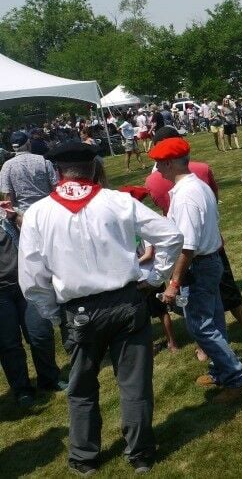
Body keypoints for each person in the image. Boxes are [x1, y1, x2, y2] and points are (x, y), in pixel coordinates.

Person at [18, 142, 184, 475]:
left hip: (78, 311)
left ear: (57, 172)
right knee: (134, 383)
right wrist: (154, 276)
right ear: (94, 168)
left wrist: (55, 313)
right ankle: (140, 454)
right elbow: (170, 235)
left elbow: (33, 278)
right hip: (125, 303)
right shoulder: (118, 201)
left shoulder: (38, 213)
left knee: (81, 388)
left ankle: (85, 458)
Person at [146, 127, 242, 349]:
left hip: (191, 252)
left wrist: (173, 281)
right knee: (223, 297)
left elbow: (182, 236)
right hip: (208, 244)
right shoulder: (201, 171)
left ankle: (210, 354)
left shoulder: (154, 182)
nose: (159, 169)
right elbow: (213, 201)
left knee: (201, 312)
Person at [150, 138, 242, 403]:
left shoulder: (185, 196)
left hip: (198, 266)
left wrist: (174, 283)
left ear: (171, 163)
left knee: (201, 327)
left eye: (159, 164)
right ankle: (221, 371)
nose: (157, 170)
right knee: (214, 320)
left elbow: (187, 246)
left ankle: (236, 378)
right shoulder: (197, 186)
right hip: (210, 261)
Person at [0, 201, 66, 408]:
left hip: (26, 285)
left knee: (41, 334)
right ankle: (22, 390)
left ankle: (50, 378)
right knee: (9, 344)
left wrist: (15, 216)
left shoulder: (6, 217)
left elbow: (33, 230)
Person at [0, 131, 57, 211]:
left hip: (23, 214)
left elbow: (7, 195)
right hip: (47, 210)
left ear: (13, 147)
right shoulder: (44, 161)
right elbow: (55, 187)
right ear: (28, 144)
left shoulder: (7, 166)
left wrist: (14, 217)